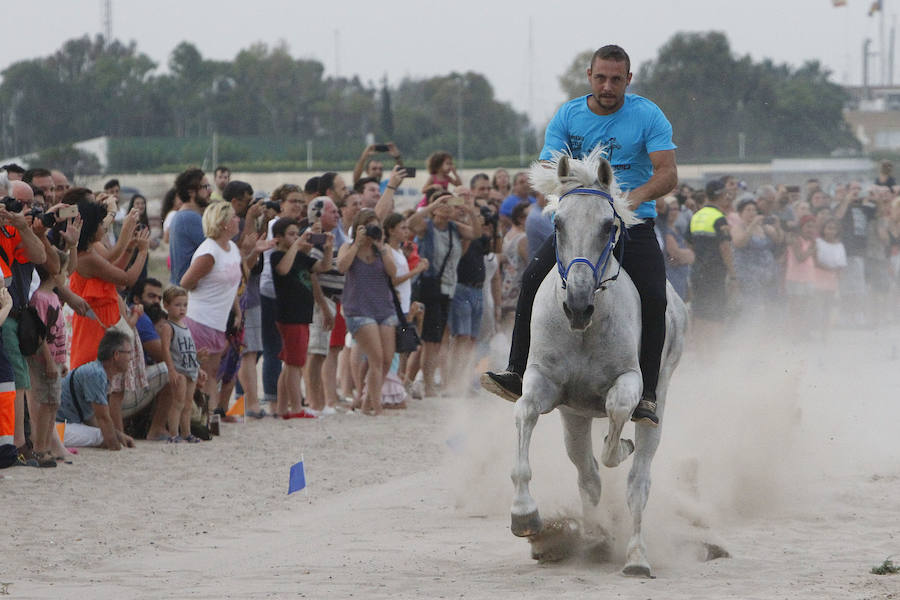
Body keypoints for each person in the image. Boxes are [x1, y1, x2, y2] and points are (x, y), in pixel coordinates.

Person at [483, 45, 678, 427]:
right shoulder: (568, 115)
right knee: (531, 279)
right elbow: (548, 167)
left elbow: (667, 173)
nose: (608, 86)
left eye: (616, 79)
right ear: (589, 76)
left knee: (655, 297)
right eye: (601, 78)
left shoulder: (648, 114)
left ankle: (648, 394)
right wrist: (576, 192)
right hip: (580, 224)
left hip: (632, 223)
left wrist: (628, 199)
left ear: (628, 79)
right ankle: (517, 371)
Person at [407, 188, 481, 396]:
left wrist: (469, 209)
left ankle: (415, 382)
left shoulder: (454, 228)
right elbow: (411, 223)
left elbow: (476, 233)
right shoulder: (427, 227)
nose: (448, 208)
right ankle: (426, 383)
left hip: (447, 288)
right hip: (429, 287)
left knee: (434, 339)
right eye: (444, 204)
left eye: (450, 203)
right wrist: (432, 206)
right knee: (429, 340)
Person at [179, 202, 243, 415]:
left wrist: (236, 309)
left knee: (212, 372)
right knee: (201, 372)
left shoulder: (232, 248)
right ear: (223, 223)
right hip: (200, 318)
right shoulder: (209, 252)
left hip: (218, 320)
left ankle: (210, 414)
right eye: (233, 217)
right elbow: (186, 282)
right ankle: (200, 415)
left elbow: (232, 283)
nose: (238, 220)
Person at [337, 209, 397, 415]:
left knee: (387, 359)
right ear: (359, 228)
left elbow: (393, 272)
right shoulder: (348, 246)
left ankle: (365, 402)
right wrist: (357, 244)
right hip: (358, 309)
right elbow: (341, 267)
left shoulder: (383, 249)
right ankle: (376, 406)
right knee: (376, 359)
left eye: (376, 226)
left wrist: (382, 247)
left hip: (384, 308)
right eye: (368, 226)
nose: (373, 230)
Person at [270, 218, 332, 418]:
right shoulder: (278, 255)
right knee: (295, 364)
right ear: (278, 238)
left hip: (301, 316)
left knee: (290, 363)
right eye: (291, 234)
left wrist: (328, 248)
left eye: (297, 234)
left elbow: (323, 267)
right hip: (290, 316)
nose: (296, 237)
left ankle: (282, 408)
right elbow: (282, 270)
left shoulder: (301, 257)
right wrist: (296, 246)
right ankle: (296, 407)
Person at [54, 330, 135, 450]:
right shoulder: (96, 374)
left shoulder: (98, 372)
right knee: (103, 436)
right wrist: (116, 446)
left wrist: (119, 435)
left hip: (63, 425)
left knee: (108, 434)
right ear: (116, 355)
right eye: (129, 353)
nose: (131, 358)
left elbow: (91, 417)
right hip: (57, 428)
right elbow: (103, 418)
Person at [25, 260, 68, 467]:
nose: (66, 274)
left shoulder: (54, 297)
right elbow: (40, 334)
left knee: (53, 403)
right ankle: (40, 448)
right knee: (44, 402)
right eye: (64, 270)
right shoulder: (40, 299)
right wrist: (51, 362)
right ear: (54, 272)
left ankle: (48, 447)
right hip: (44, 360)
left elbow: (60, 332)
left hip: (56, 360)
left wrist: (62, 360)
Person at [161, 286, 205, 443]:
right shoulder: (168, 326)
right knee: (177, 403)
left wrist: (198, 367)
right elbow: (165, 349)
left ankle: (187, 433)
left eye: (185, 305)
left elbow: (190, 350)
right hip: (179, 370)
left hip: (190, 369)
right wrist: (171, 370)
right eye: (177, 305)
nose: (182, 309)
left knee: (187, 404)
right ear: (166, 305)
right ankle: (173, 434)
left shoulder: (185, 326)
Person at [169, 168, 211, 285]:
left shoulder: (183, 215)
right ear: (191, 192)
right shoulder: (190, 217)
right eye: (205, 187)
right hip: (187, 292)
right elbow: (215, 250)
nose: (210, 191)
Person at [654, 196, 693, 301]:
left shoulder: (677, 229)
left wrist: (688, 255)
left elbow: (688, 256)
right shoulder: (663, 229)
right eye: (670, 209)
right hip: (671, 276)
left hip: (682, 276)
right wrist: (689, 254)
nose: (673, 212)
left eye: (676, 209)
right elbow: (675, 253)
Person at [500, 201, 530, 322]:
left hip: (506, 285)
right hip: (516, 289)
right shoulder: (523, 238)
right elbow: (529, 262)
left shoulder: (509, 234)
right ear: (521, 219)